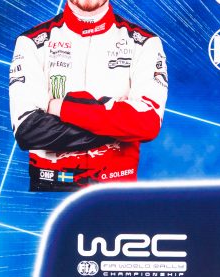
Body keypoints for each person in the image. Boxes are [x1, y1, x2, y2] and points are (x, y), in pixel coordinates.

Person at [9, 0, 167, 191]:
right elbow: (28, 131)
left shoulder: (145, 43)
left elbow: (148, 123)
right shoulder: (31, 42)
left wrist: (65, 108)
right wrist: (119, 125)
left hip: (116, 191)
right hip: (50, 188)